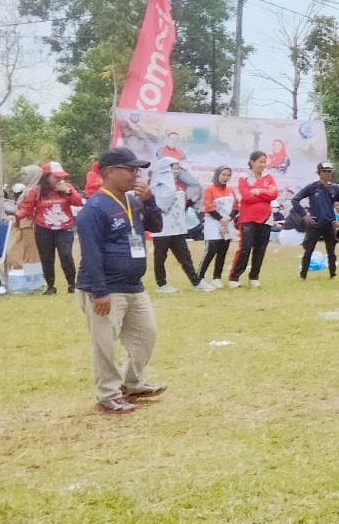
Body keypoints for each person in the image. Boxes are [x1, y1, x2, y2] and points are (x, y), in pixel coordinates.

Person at [75, 147, 168, 415]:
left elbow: (157, 226)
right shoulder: (94, 209)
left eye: (136, 170)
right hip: (105, 288)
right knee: (105, 343)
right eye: (130, 169)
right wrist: (100, 291)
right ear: (109, 172)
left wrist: (150, 201)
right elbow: (91, 253)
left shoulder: (134, 201)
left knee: (146, 335)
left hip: (133, 284)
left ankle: (133, 383)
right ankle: (108, 394)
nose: (135, 174)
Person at [15, 161, 85, 295]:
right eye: (56, 177)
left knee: (66, 255)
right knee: (47, 258)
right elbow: (27, 208)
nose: (59, 179)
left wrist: (68, 192)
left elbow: (78, 202)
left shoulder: (67, 188)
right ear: (47, 177)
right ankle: (51, 286)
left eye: (61, 177)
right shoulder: (37, 191)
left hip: (64, 228)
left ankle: (72, 284)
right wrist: (17, 216)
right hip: (43, 229)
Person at [149, 158, 212, 293]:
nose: (176, 171)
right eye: (173, 168)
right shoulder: (157, 186)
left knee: (185, 256)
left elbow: (188, 200)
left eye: (178, 168)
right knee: (160, 257)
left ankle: (196, 282)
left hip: (178, 228)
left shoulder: (182, 185)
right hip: (162, 229)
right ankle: (161, 284)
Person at [228, 150, 278, 288]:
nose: (263, 165)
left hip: (266, 218)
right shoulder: (244, 178)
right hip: (248, 218)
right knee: (245, 248)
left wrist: (259, 191)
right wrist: (264, 194)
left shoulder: (269, 177)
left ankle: (254, 277)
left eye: (264, 162)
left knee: (260, 248)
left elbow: (274, 194)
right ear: (252, 162)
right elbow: (246, 197)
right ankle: (234, 277)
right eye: (260, 162)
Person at [293, 162, 339, 280]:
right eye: (324, 171)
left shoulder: (335, 188)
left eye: (329, 171)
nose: (327, 173)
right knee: (308, 250)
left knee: (331, 251)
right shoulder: (312, 187)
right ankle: (303, 275)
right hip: (315, 223)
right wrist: (304, 215)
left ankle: (333, 274)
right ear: (319, 173)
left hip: (329, 223)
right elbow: (295, 200)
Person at [198, 166, 238, 283]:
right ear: (217, 175)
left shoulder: (230, 190)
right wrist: (221, 218)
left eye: (228, 175)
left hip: (227, 224)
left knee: (222, 252)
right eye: (223, 175)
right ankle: (199, 277)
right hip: (213, 224)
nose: (225, 177)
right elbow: (209, 207)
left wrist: (229, 217)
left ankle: (217, 278)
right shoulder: (210, 189)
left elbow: (236, 207)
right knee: (211, 250)